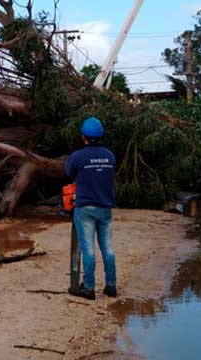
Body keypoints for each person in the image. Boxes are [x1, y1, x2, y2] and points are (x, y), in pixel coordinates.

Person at [65, 117, 117, 300]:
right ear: (101, 135)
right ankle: (111, 286)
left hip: (85, 208)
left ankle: (88, 288)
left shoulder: (78, 156)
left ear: (83, 136)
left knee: (88, 249)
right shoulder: (110, 156)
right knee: (108, 248)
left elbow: (68, 173)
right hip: (105, 208)